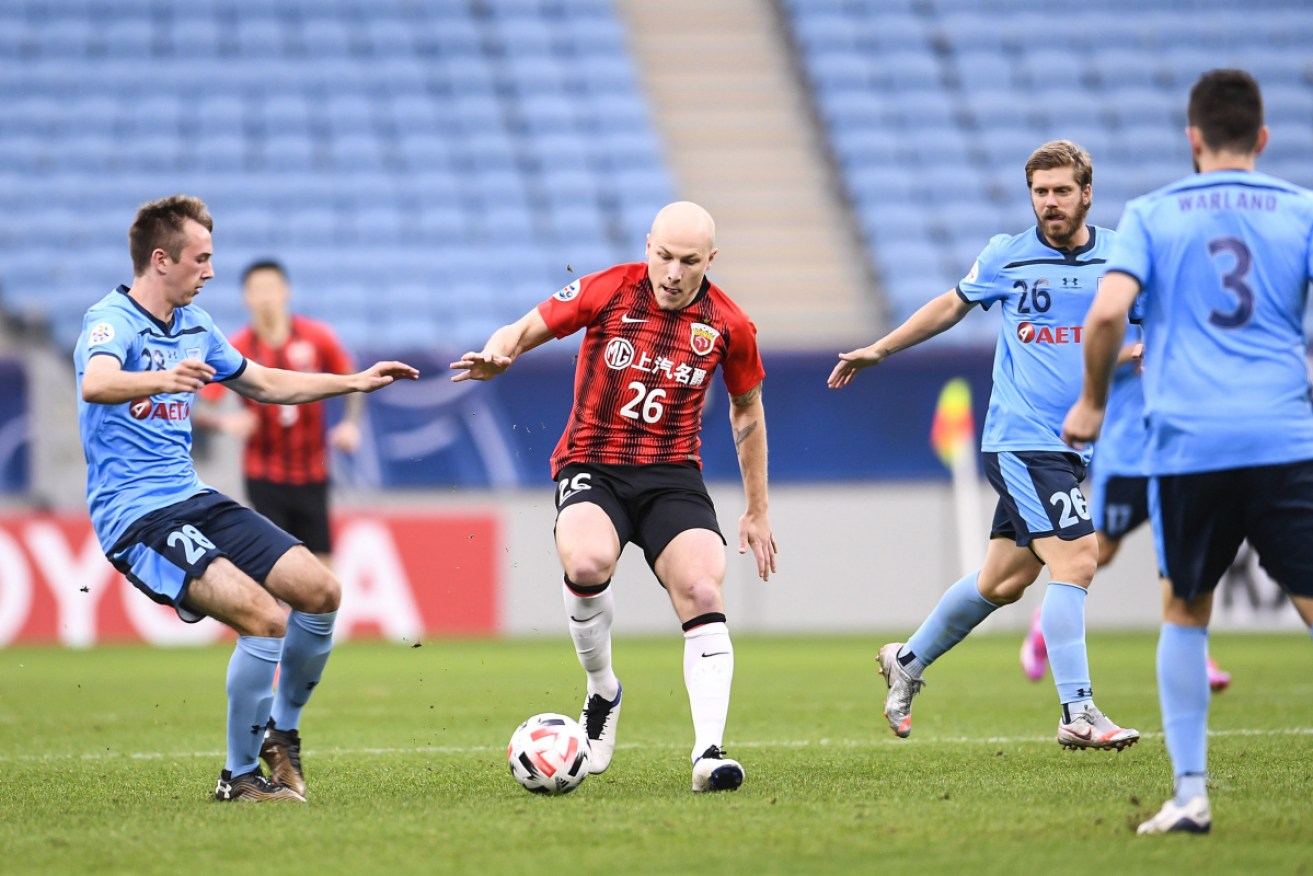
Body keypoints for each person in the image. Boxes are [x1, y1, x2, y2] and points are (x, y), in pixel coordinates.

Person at [75, 195, 418, 802]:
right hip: (135, 515)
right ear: (161, 260)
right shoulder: (110, 322)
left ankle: (282, 734)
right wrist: (161, 378)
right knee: (264, 617)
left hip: (192, 498)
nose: (211, 272)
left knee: (321, 590)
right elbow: (97, 381)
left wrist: (352, 383)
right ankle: (238, 779)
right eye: (201, 259)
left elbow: (263, 382)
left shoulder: (197, 328)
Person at [450, 201, 777, 792]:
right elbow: (524, 326)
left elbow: (747, 407)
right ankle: (602, 688)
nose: (673, 274)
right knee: (587, 561)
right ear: (648, 244)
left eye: (689, 262)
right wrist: (501, 352)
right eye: (664, 257)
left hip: (672, 473)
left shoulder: (730, 325)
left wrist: (756, 508)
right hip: (592, 464)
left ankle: (709, 754)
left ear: (712, 260)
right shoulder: (610, 289)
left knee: (704, 586)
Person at [1063, 69, 1313, 835]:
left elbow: (1106, 313)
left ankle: (1191, 794)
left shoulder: (1151, 213)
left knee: (1183, 608)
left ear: (1192, 139)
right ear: (1262, 138)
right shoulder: (1300, 209)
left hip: (1187, 445)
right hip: (1281, 436)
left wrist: (1093, 401)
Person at [829, 140, 1139, 750]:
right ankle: (1077, 712)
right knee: (1078, 559)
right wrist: (881, 348)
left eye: (1061, 191)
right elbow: (951, 305)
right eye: (1040, 192)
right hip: (1021, 440)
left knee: (1003, 581)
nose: (1049, 203)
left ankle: (908, 659)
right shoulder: (1007, 256)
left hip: (1070, 444)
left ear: (1087, 194)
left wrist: (1144, 353)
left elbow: (1143, 330)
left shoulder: (1123, 258)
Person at [1019, 338, 1232, 692]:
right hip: (1126, 463)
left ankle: (1194, 654)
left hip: (1175, 458)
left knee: (1182, 555)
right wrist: (1131, 350)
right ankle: (1044, 622)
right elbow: (1083, 361)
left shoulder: (1168, 315)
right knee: (1100, 549)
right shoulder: (1113, 312)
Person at [196, 260, 362, 573]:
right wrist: (225, 423)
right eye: (257, 290)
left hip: (314, 471)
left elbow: (351, 379)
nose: (265, 297)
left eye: (271, 288)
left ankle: (309, 624)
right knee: (275, 570)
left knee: (321, 571)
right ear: (246, 298)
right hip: (264, 474)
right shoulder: (238, 347)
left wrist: (350, 424)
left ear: (286, 291)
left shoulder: (316, 337)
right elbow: (202, 408)